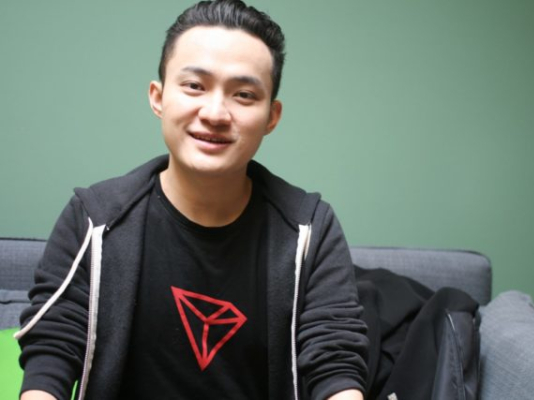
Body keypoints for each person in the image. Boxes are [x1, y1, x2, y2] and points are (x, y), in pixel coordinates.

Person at [16, 1, 369, 399]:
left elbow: (335, 362)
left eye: (244, 94)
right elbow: (52, 352)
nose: (215, 113)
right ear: (158, 97)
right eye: (195, 86)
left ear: (272, 116)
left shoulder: (309, 228)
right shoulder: (94, 219)